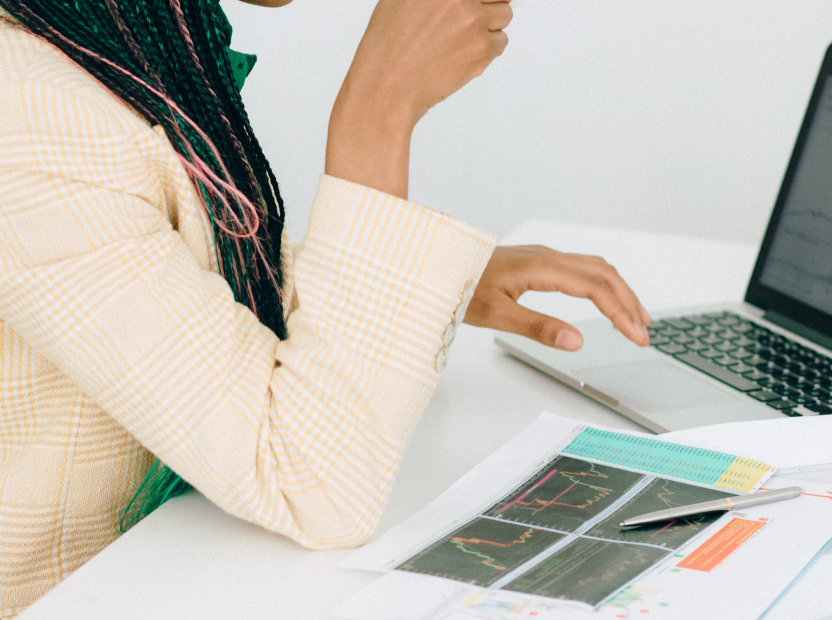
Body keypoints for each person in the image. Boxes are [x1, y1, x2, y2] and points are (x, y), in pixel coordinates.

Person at [0, 0, 650, 615]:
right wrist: (379, 105)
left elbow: (174, 282)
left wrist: (414, 278)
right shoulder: (27, 108)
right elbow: (311, 488)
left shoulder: (114, 38)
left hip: (173, 567)